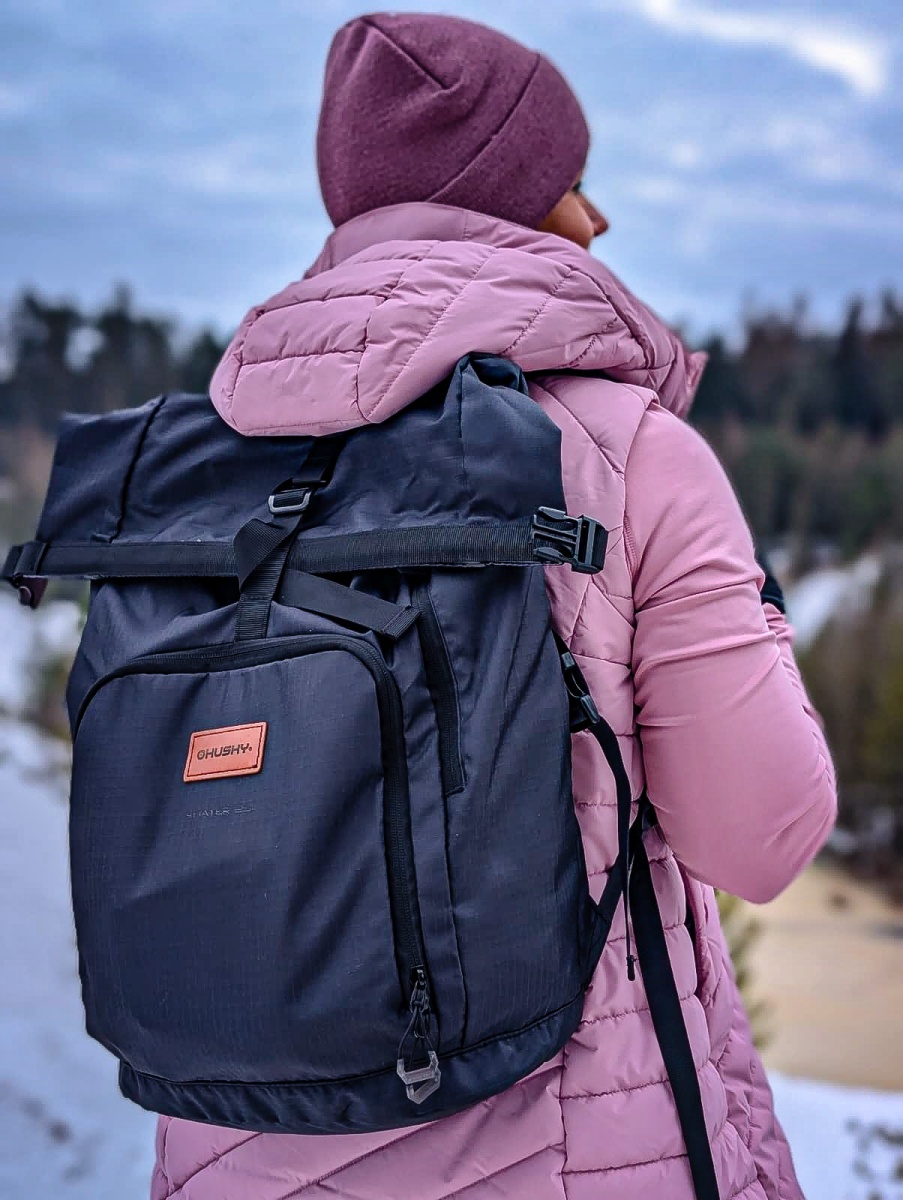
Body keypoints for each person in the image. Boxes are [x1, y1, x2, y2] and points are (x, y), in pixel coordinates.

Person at [151, 13, 837, 1200]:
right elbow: (763, 837)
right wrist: (758, 608)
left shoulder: (198, 461)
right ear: (502, 198)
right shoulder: (632, 455)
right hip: (565, 1154)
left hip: (229, 1148)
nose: (597, 217)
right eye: (569, 180)